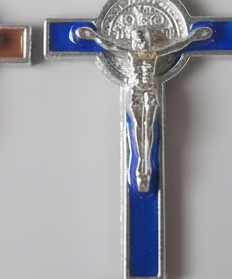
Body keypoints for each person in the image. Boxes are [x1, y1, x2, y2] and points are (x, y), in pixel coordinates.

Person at [75, 23, 213, 192]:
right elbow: (110, 45)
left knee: (149, 126)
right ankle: (142, 163)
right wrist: (93, 35)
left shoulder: (154, 53)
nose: (140, 42)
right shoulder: (131, 53)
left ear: (148, 40)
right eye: (138, 39)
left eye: (143, 39)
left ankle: (145, 163)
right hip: (136, 91)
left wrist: (194, 37)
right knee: (138, 126)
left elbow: (177, 46)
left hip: (150, 90)